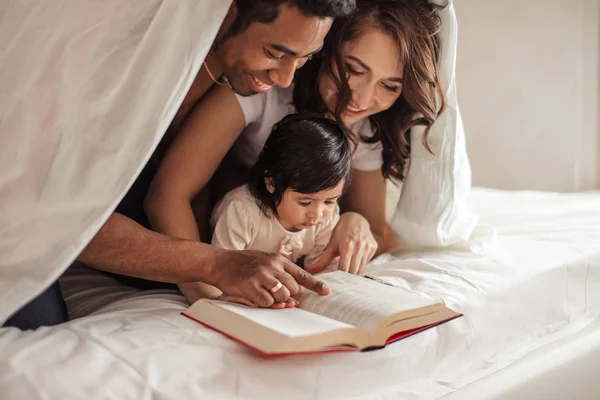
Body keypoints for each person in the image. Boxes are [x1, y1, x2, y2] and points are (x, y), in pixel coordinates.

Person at [4, 0, 357, 330]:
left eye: (305, 59)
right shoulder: (111, 58)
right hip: (26, 215)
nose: (285, 79)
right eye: (274, 53)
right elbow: (53, 214)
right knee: (35, 328)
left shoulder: (229, 80)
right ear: (227, 10)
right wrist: (215, 264)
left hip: (112, 220)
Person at [146, 0, 446, 302]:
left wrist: (355, 221)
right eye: (354, 70)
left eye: (390, 86)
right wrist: (206, 293)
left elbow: (378, 233)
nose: (362, 99)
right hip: (221, 228)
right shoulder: (262, 87)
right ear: (326, 46)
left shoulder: (364, 128)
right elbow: (167, 195)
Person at [190, 113, 352, 305]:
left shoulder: (327, 215)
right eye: (305, 203)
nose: (317, 215)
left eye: (329, 201)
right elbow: (221, 268)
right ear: (271, 183)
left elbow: (321, 270)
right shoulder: (242, 212)